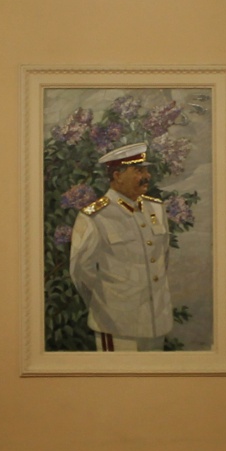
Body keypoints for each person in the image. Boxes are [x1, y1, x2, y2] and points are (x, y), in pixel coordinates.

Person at [68, 142, 172, 351]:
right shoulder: (95, 216)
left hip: (157, 321)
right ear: (117, 175)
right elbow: (80, 272)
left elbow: (163, 258)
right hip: (116, 323)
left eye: (146, 170)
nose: (147, 176)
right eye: (139, 170)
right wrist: (105, 304)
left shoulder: (156, 209)